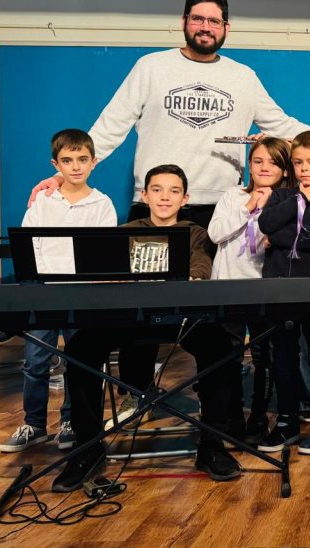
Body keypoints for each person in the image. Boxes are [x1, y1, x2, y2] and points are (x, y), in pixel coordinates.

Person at [30, 0, 310, 424]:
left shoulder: (243, 77)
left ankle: (218, 402)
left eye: (214, 21)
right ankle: (136, 394)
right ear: (184, 22)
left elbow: (282, 124)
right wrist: (68, 174)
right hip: (154, 208)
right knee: (137, 311)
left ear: (226, 27)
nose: (205, 27)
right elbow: (109, 126)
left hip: (215, 209)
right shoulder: (151, 67)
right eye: (197, 19)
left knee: (213, 319)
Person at [56, 164, 240, 492]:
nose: (165, 197)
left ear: (185, 198)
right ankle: (88, 448)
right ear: (145, 195)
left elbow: (199, 267)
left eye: (173, 191)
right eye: (157, 189)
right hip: (129, 317)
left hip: (179, 317)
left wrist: (192, 279)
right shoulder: (126, 230)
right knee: (80, 349)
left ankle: (212, 445)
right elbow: (105, 274)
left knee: (219, 346)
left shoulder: (194, 232)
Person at [0, 129, 117, 454]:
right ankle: (34, 424)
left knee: (77, 360)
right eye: (67, 160)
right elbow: (28, 243)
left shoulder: (102, 204)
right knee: (35, 360)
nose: (75, 166)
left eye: (82, 159)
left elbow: (102, 254)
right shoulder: (43, 200)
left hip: (81, 292)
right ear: (56, 164)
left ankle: (70, 421)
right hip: (43, 290)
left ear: (94, 162)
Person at [257, 131, 310, 455]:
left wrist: (282, 234)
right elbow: (266, 224)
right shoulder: (282, 196)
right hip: (279, 290)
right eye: (298, 163)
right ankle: (286, 421)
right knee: (283, 357)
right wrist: (299, 202)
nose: (304, 169)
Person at [207, 137, 293, 445]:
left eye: (273, 162)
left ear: (285, 169)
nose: (264, 167)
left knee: (263, 357)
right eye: (258, 161)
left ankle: (258, 416)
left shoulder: (288, 202)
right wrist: (248, 207)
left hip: (263, 288)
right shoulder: (233, 196)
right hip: (228, 286)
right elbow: (215, 234)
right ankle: (232, 416)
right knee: (227, 354)